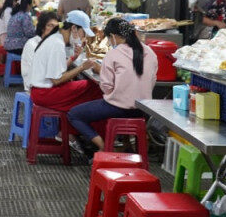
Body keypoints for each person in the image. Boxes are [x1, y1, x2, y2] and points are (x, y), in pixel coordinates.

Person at [67, 18, 158, 153]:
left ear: (113, 36)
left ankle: (105, 147)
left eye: (109, 38)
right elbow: (152, 80)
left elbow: (106, 87)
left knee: (74, 114)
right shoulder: (150, 52)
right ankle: (126, 145)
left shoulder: (114, 54)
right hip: (143, 108)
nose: (109, 42)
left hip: (119, 107)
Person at [27, 10, 103, 112]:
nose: (83, 38)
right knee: (94, 88)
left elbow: (55, 70)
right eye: (83, 33)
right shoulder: (57, 43)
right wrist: (82, 67)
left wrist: (73, 58)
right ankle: (89, 126)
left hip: (41, 91)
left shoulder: (55, 38)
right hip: (45, 93)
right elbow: (56, 79)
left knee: (85, 86)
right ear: (74, 28)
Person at [21, 11, 60, 91]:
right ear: (42, 27)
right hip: (36, 88)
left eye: (56, 27)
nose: (54, 30)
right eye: (50, 26)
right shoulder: (32, 44)